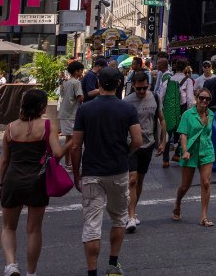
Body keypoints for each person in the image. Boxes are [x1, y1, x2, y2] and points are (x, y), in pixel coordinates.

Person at [71, 66, 141, 276]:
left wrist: (76, 173)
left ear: (98, 83)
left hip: (92, 172)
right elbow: (138, 141)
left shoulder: (85, 109)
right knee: (119, 218)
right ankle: (112, 264)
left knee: (92, 225)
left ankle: (92, 272)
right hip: (118, 171)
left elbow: (75, 146)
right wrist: (124, 153)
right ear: (119, 84)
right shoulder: (128, 109)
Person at [0, 89, 64, 276]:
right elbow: (57, 154)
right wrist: (68, 145)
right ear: (43, 107)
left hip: (12, 181)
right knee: (34, 230)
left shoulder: (10, 128)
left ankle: (11, 265)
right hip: (37, 181)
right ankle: (31, 273)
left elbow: (5, 161)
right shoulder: (47, 126)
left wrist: (1, 184)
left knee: (9, 227)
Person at [123, 71, 166, 234]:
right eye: (138, 88)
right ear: (132, 85)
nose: (141, 91)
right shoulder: (126, 101)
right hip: (131, 144)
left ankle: (132, 210)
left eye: (144, 88)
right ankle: (131, 217)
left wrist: (163, 142)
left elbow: (161, 119)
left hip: (148, 143)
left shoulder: (155, 98)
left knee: (139, 180)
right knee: (132, 180)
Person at [174, 87, 216, 226]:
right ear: (197, 99)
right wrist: (184, 150)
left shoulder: (211, 115)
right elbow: (184, 134)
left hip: (206, 151)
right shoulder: (188, 114)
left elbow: (208, 134)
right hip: (190, 151)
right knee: (185, 186)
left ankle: (204, 217)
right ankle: (178, 203)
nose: (204, 101)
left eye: (207, 99)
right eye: (202, 98)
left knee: (205, 183)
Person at [59, 60, 85, 166]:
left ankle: (67, 162)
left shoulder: (67, 82)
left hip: (64, 113)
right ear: (76, 72)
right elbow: (80, 98)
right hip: (71, 113)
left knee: (68, 139)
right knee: (74, 139)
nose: (81, 73)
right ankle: (59, 157)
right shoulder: (76, 83)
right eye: (80, 71)